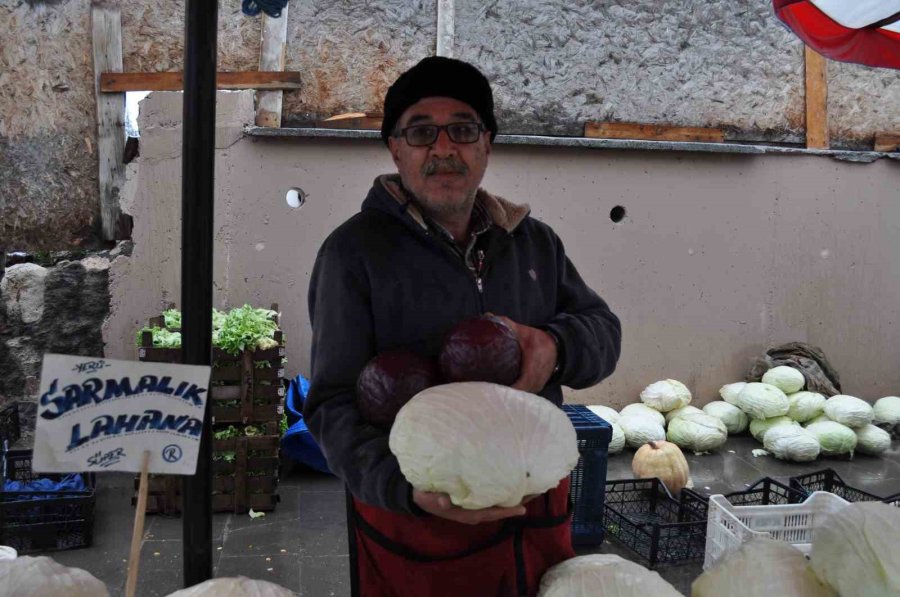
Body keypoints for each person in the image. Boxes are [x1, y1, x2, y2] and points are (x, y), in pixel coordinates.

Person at [305, 56, 621, 597]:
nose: (444, 148)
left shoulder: (533, 241)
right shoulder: (354, 253)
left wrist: (556, 346)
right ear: (396, 148)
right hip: (421, 520)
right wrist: (403, 487)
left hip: (533, 503)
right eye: (422, 131)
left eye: (464, 129)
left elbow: (603, 332)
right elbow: (332, 404)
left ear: (487, 145)